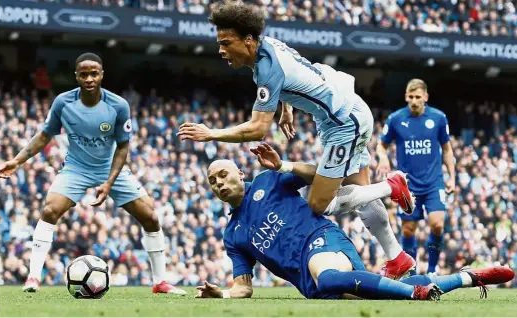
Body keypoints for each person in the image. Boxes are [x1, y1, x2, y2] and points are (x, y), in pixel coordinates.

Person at [177, 2, 415, 279]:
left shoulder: (266, 68)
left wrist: (211, 133)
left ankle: (391, 185)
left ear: (249, 40)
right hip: (342, 112)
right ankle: (397, 257)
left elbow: (256, 129)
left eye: (226, 43)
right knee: (358, 191)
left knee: (320, 204)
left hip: (343, 121)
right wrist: (286, 108)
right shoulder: (269, 47)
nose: (220, 50)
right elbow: (298, 70)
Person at [195, 144, 513, 300]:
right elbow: (243, 288)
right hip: (310, 283)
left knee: (331, 277)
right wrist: (222, 294)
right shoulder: (232, 235)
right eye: (212, 181)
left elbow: (319, 176)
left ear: (239, 171)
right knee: (378, 294)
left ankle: (416, 294)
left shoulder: (269, 180)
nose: (219, 183)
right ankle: (467, 278)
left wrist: (283, 164)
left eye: (223, 174)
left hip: (323, 242)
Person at [0, 53, 186, 295]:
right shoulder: (63, 103)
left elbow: (124, 146)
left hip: (110, 168)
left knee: (150, 216)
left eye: (94, 73)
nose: (89, 79)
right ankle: (33, 277)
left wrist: (109, 182)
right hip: (76, 167)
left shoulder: (118, 105)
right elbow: (45, 135)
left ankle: (160, 282)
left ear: (102, 75)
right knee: (49, 210)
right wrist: (17, 160)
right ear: (76, 76)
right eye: (83, 74)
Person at [377, 79, 455, 275]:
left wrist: (452, 177)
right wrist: (383, 158)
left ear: (425, 97)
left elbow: (447, 149)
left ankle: (432, 269)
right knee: (408, 230)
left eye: (418, 97)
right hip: (408, 185)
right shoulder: (396, 119)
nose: (414, 101)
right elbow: (381, 145)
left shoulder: (438, 118)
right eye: (410, 97)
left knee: (437, 224)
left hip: (433, 182)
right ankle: (411, 272)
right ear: (405, 97)